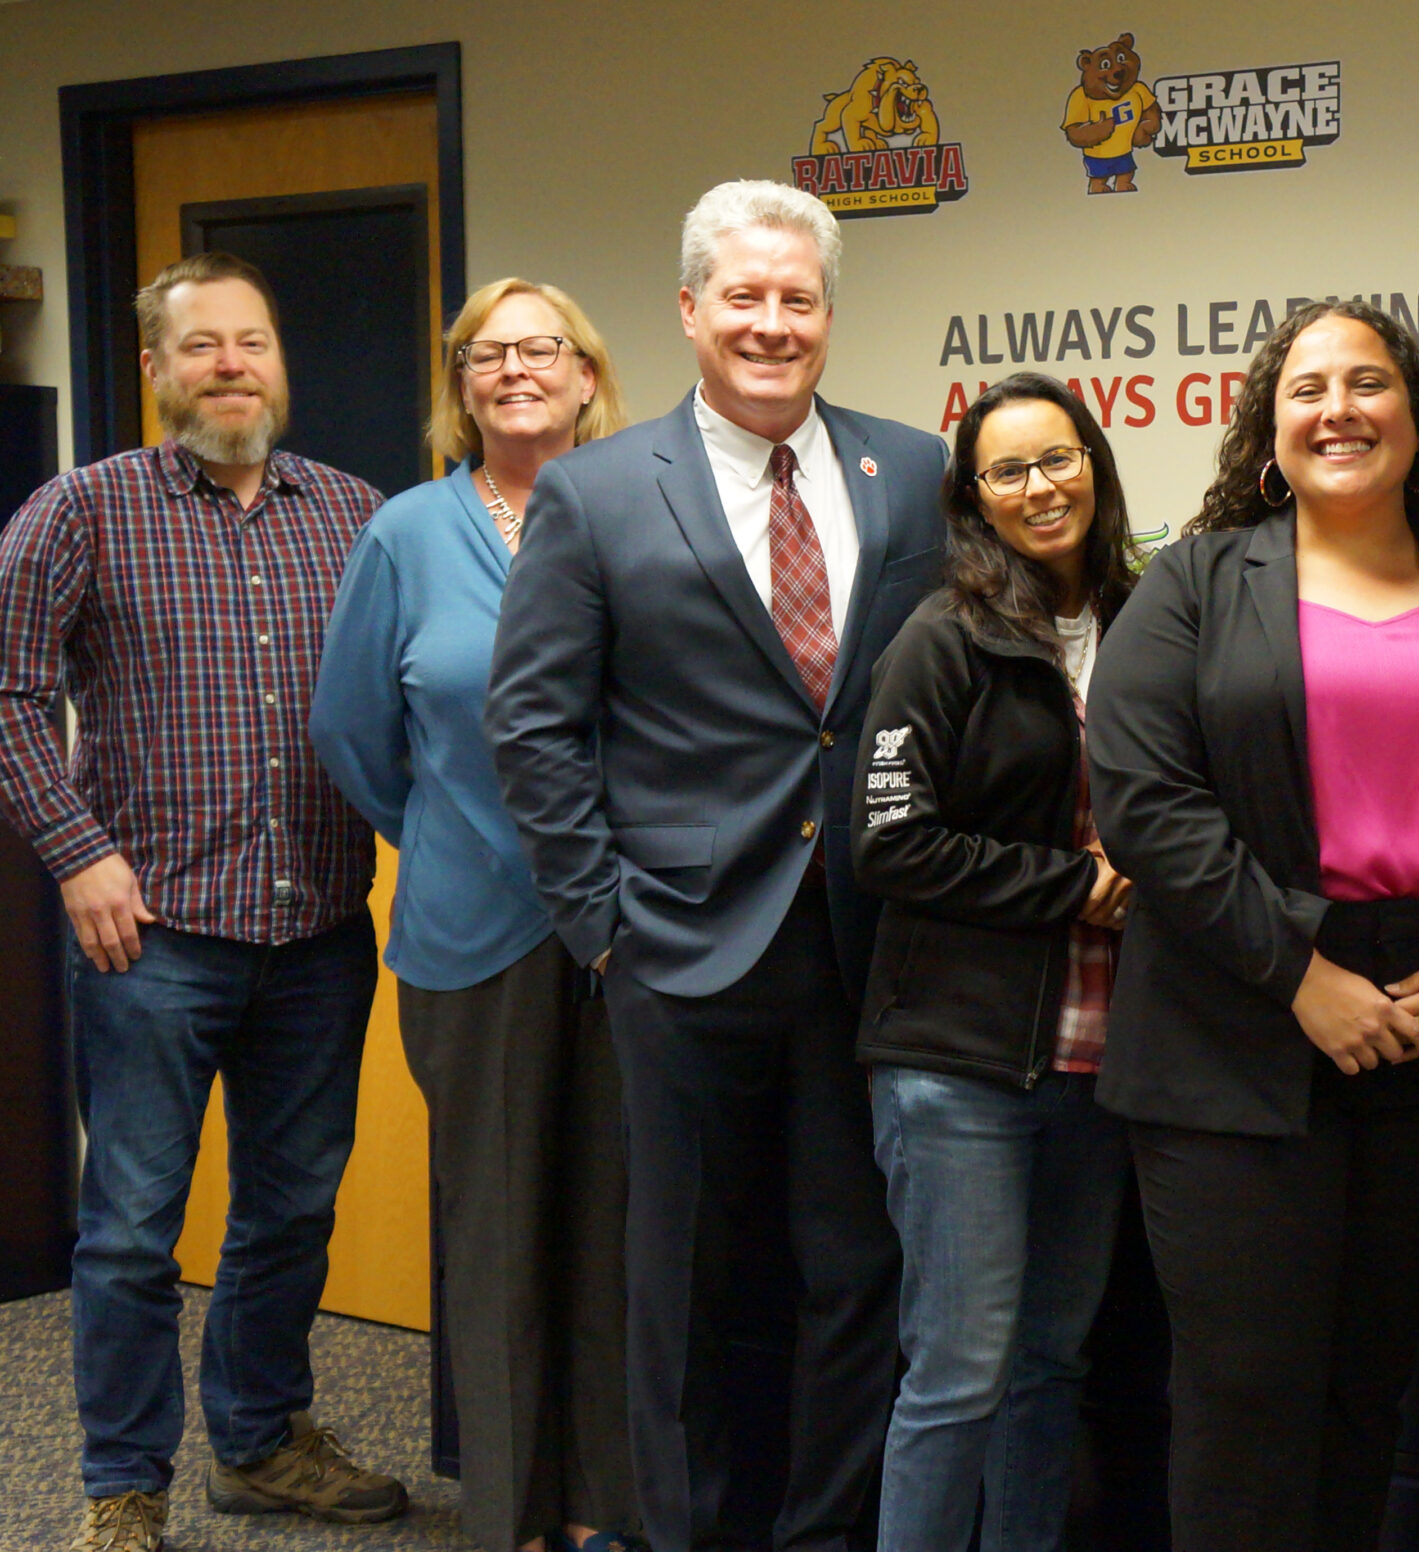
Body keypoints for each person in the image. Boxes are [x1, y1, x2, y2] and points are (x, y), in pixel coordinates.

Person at [1086, 299, 1419, 1552]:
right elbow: (1146, 804)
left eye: (1369, 382)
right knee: (1242, 1401)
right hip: (1233, 1035)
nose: (1338, 408)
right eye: (1307, 387)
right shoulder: (1194, 583)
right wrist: (1297, 972)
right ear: (1267, 426)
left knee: (1369, 1395)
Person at [483, 181, 946, 1552]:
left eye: (797, 299)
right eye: (743, 296)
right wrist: (602, 927)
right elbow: (533, 722)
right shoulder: (597, 490)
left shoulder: (910, 471)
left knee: (856, 1272)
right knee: (687, 1284)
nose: (771, 323)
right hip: (678, 946)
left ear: (828, 315)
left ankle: (822, 1535)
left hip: (872, 946)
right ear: (689, 311)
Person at [0, 252, 408, 1552]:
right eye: (203, 345)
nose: (233, 364)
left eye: (254, 341)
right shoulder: (81, 511)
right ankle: (124, 1488)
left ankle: (261, 1440)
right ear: (157, 370)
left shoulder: (356, 513)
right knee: (128, 1233)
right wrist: (75, 852)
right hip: (151, 940)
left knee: (292, 1210)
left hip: (320, 936)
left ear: (280, 359)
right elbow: (6, 695)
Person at [308, 277, 637, 1552]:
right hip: (468, 932)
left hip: (628, 928)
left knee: (615, 1228)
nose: (514, 369)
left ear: (586, 372)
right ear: (460, 387)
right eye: (486, 354)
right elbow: (351, 730)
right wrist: (447, 827)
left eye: (540, 348)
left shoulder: (641, 510)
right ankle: (512, 1517)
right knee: (497, 1239)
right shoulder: (406, 531)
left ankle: (610, 1507)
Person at [847, 373, 1141, 1550]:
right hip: (957, 1066)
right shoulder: (944, 633)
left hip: (1102, 1064)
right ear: (972, 498)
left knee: (1048, 1364)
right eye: (1008, 471)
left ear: (1095, 465)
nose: (1041, 488)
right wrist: (1071, 886)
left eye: (1058, 459)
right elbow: (888, 838)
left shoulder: (1147, 614)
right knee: (959, 1372)